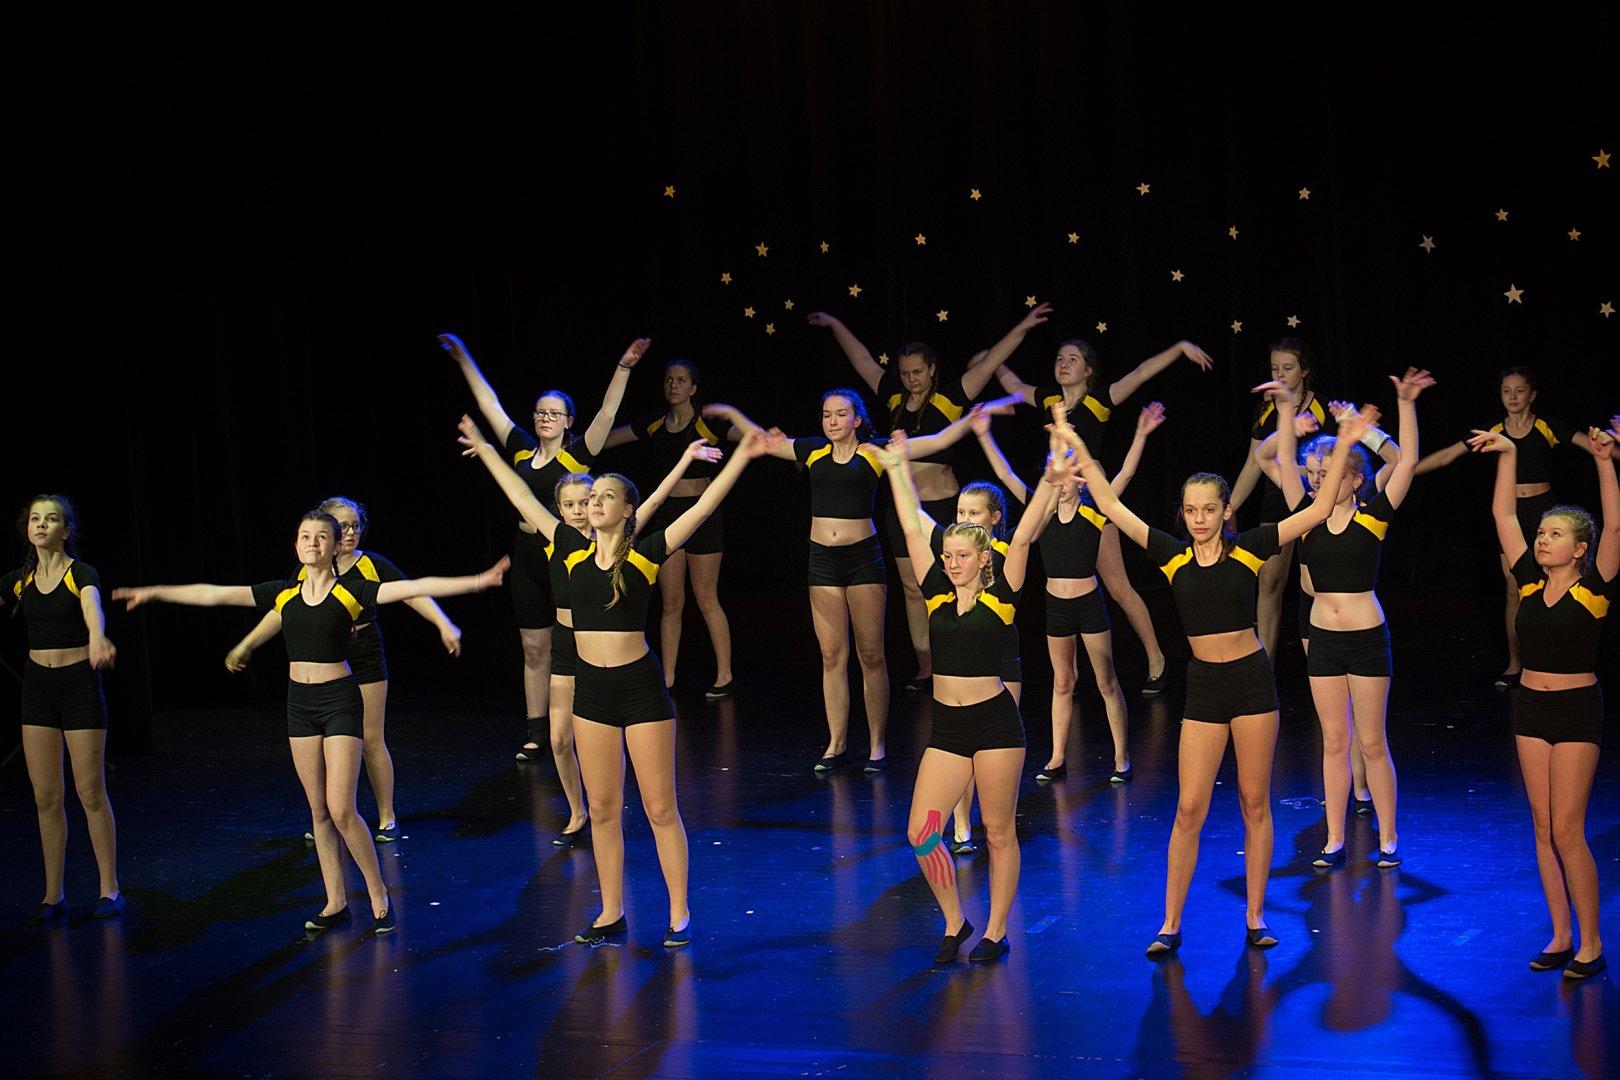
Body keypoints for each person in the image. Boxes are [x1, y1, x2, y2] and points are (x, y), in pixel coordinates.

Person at [1057, 397, 1376, 956]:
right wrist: (1077, 444)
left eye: (1209, 509)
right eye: (1190, 510)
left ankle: (1255, 918)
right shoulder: (1172, 556)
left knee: (1255, 802)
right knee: (1189, 808)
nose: (1199, 518)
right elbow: (1108, 502)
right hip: (1204, 687)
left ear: (1227, 511)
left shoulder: (1251, 549)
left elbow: (1321, 506)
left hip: (1251, 684)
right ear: (1182, 515)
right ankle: (1169, 924)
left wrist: (1347, 440)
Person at [114, 512, 508, 934]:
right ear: (296, 544)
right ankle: (335, 901)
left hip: (339, 701)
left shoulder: (352, 591)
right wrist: (153, 591)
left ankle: (377, 892)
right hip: (299, 704)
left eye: (321, 537)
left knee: (341, 808)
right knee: (318, 810)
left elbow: (416, 587)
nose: (312, 543)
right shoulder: (284, 593)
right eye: (305, 536)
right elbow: (215, 594)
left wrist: (477, 581)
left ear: (335, 547)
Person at [462, 415, 772, 948]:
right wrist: (488, 451)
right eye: (593, 497)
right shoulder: (568, 546)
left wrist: (742, 456)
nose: (596, 503)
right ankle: (611, 911)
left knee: (660, 808)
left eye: (607, 496)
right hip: (592, 694)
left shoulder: (645, 554)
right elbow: (520, 496)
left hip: (639, 691)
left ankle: (679, 913)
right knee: (603, 809)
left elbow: (700, 509)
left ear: (628, 510)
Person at [702, 394, 1004, 772]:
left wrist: (971, 422)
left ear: (857, 420)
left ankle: (877, 745)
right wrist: (732, 411)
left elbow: (936, 441)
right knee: (832, 656)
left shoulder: (874, 451)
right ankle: (836, 742)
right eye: (826, 414)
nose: (832, 421)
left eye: (841, 414)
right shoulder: (813, 450)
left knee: (871, 655)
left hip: (862, 561)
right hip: (821, 562)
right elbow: (764, 441)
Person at [461, 424, 723, 848]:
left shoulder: (620, 542)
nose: (580, 510)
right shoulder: (559, 542)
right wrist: (489, 451)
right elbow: (520, 497)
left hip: (607, 653)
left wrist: (683, 462)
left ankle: (605, 808)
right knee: (558, 738)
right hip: (567, 645)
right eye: (570, 505)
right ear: (560, 510)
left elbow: (653, 501)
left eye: (587, 501)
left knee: (606, 739)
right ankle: (578, 810)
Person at [874, 429, 1064, 963]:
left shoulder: (1002, 595)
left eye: (962, 556)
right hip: (948, 730)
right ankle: (955, 921)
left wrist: (1050, 481)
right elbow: (911, 525)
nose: (952, 563)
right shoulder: (936, 593)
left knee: (999, 833)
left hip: (996, 725)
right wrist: (896, 468)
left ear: (983, 559)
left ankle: (997, 932)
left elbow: (1022, 540)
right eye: (948, 555)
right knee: (922, 832)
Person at [987, 302, 1214, 693]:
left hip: (1092, 502)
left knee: (1117, 585)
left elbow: (1140, 373)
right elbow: (1011, 384)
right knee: (1059, 580)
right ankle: (1068, 678)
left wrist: (1179, 348)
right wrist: (989, 359)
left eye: (1072, 359)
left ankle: (1156, 657)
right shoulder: (1049, 400)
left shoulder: (1100, 400)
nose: (1064, 364)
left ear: (1088, 370)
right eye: (1059, 359)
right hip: (1056, 499)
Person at [441, 331, 643, 759]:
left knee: (575, 642)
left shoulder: (578, 456)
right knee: (534, 647)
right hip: (527, 554)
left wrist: (623, 367)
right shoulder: (520, 451)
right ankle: (537, 730)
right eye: (540, 412)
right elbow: (490, 405)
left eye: (555, 413)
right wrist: (463, 359)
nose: (546, 418)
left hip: (566, 555)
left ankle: (584, 722)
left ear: (569, 420)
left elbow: (608, 413)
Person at [1261, 374, 1432, 869]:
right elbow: (1278, 460)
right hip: (1324, 641)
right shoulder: (1307, 517)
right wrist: (1286, 409)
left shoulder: (1373, 517)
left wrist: (1403, 405)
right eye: (1316, 475)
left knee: (1371, 741)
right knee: (1335, 741)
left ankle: (1388, 835)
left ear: (1356, 480)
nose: (1319, 481)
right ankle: (1334, 837)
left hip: (1366, 640)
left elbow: (1407, 462)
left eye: (1331, 474)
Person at [1468, 417, 1618, 980]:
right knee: (1541, 826)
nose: (1542, 539)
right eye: (1542, 534)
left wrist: (1604, 462)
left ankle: (1591, 944)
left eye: (1554, 535)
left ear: (1580, 549)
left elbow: (1615, 524)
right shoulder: (1530, 581)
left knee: (1568, 829)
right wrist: (1507, 454)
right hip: (1531, 709)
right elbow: (1503, 515)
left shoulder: (1594, 588)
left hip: (1576, 712)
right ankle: (1560, 934)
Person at [232, 496, 463, 844]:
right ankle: (325, 817)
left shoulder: (371, 565)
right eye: (344, 527)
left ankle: (387, 816)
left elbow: (413, 593)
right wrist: (247, 644)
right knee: (324, 743)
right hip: (323, 655)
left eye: (356, 526)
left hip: (362, 652)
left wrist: (443, 624)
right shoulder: (307, 568)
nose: (352, 532)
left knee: (370, 736)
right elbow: (282, 609)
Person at [806, 313, 1006, 691]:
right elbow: (862, 361)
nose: (911, 378)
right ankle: (926, 666)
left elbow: (989, 365)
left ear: (932, 369)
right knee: (914, 590)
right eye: (905, 373)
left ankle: (962, 660)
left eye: (917, 371)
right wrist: (835, 324)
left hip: (944, 507)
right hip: (904, 509)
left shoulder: (949, 398)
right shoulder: (895, 399)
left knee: (957, 583)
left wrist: (1023, 328)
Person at [972, 401, 1165, 785]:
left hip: (1089, 607)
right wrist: (984, 435)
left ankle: (1121, 756)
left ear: (1081, 478)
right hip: (1056, 608)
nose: (1062, 479)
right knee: (1062, 682)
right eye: (1056, 471)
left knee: (1106, 681)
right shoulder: (1040, 515)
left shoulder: (1095, 514)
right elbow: (1005, 474)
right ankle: (1057, 757)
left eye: (1069, 471)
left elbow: (1125, 474)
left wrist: (1141, 435)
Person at [1418, 367, 1590, 688]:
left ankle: (1551, 658)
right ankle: (1516, 663)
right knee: (1514, 589)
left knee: (1552, 586)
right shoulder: (1494, 430)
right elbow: (1447, 455)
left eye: (1519, 391)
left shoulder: (1546, 426)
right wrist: (1403, 472)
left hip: (1544, 512)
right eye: (1506, 391)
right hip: (1510, 514)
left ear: (1532, 395)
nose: (1512, 397)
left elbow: (1592, 445)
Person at [1230, 339, 1400, 661]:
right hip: (1316, 612)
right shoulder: (1304, 504)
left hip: (1356, 617)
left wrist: (1362, 431)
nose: (1280, 374)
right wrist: (1287, 422)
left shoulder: (1362, 503)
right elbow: (1264, 459)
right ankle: (1267, 665)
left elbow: (1397, 461)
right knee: (1272, 584)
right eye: (1275, 369)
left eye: (1288, 368)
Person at [3, 496, 122, 924]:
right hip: (37, 688)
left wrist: (98, 637)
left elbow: (92, 607)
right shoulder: (19, 581)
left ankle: (109, 889)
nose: (41, 525)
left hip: (78, 687)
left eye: (51, 519)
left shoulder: (80, 574)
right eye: (35, 519)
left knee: (90, 792)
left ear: (66, 530)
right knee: (45, 796)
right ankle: (53, 895)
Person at [602, 359, 740, 697]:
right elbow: (605, 440)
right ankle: (667, 678)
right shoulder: (654, 423)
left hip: (702, 516)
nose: (673, 386)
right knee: (671, 601)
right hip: (667, 516)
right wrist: (568, 443)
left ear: (693, 388)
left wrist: (742, 420)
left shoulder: (706, 424)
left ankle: (725, 675)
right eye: (668, 380)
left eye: (680, 380)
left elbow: (752, 438)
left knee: (706, 597)